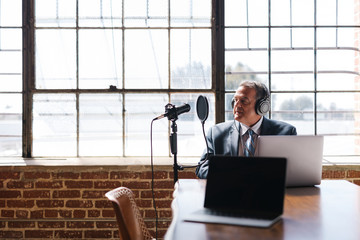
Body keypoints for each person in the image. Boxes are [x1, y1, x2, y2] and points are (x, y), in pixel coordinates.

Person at [195, 80, 297, 179]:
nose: (237, 105)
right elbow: (201, 169)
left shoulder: (286, 132)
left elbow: (294, 170)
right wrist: (232, 174)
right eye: (235, 100)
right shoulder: (217, 133)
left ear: (262, 107)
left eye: (243, 101)